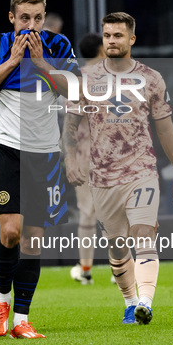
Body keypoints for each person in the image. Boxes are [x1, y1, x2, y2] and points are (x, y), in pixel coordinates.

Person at [64, 12, 173, 325]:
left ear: (132, 39)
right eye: (107, 36)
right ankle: (130, 302)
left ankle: (145, 300)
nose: (112, 41)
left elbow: (165, 128)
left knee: (144, 233)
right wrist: (70, 157)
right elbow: (70, 122)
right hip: (102, 175)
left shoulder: (151, 78)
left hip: (142, 170)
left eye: (118, 36)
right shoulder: (86, 78)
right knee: (118, 248)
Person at [0, 0, 79, 339]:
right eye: (24, 18)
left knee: (34, 240)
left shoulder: (58, 45)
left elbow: (77, 92)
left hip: (45, 154)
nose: (31, 25)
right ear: (12, 17)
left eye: (37, 18)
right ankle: (1, 301)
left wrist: (44, 64)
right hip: (8, 148)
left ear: (44, 18)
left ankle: (20, 319)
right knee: (11, 232)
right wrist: (13, 62)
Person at [69, 32, 106, 284]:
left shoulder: (76, 79)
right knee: (119, 211)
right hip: (114, 151)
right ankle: (122, 268)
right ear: (102, 48)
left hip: (84, 151)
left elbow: (70, 120)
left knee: (86, 211)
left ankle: (85, 269)